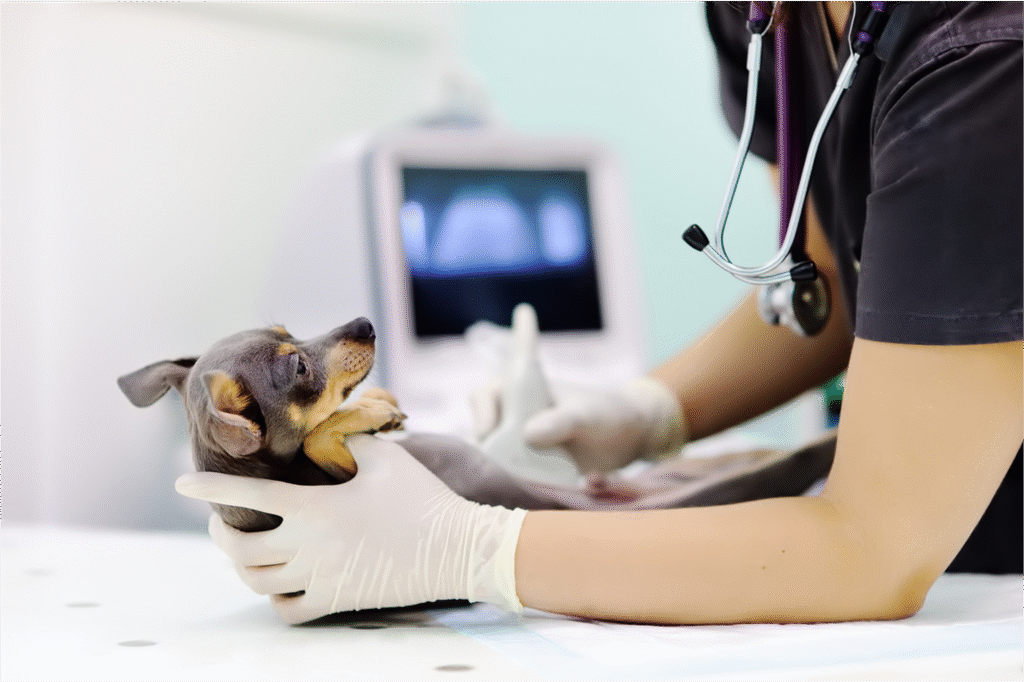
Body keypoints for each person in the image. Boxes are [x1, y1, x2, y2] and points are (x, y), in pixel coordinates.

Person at [176, 1, 1022, 625]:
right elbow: (831, 281)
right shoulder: (764, 14)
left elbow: (872, 549)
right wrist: (650, 410)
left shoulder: (988, 64)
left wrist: (470, 549)